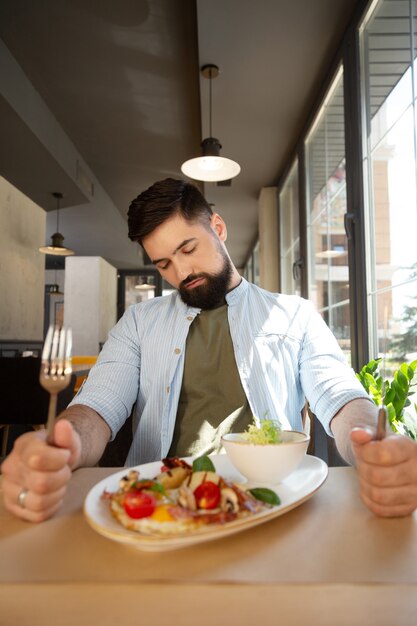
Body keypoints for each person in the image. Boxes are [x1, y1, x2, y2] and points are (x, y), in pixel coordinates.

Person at [2, 178, 417, 522]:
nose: (181, 273)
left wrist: (372, 442)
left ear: (217, 228)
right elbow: (96, 409)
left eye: (187, 249)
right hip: (159, 505)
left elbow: (342, 398)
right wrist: (67, 442)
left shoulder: (293, 315)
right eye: (163, 264)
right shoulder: (138, 323)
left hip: (268, 503)